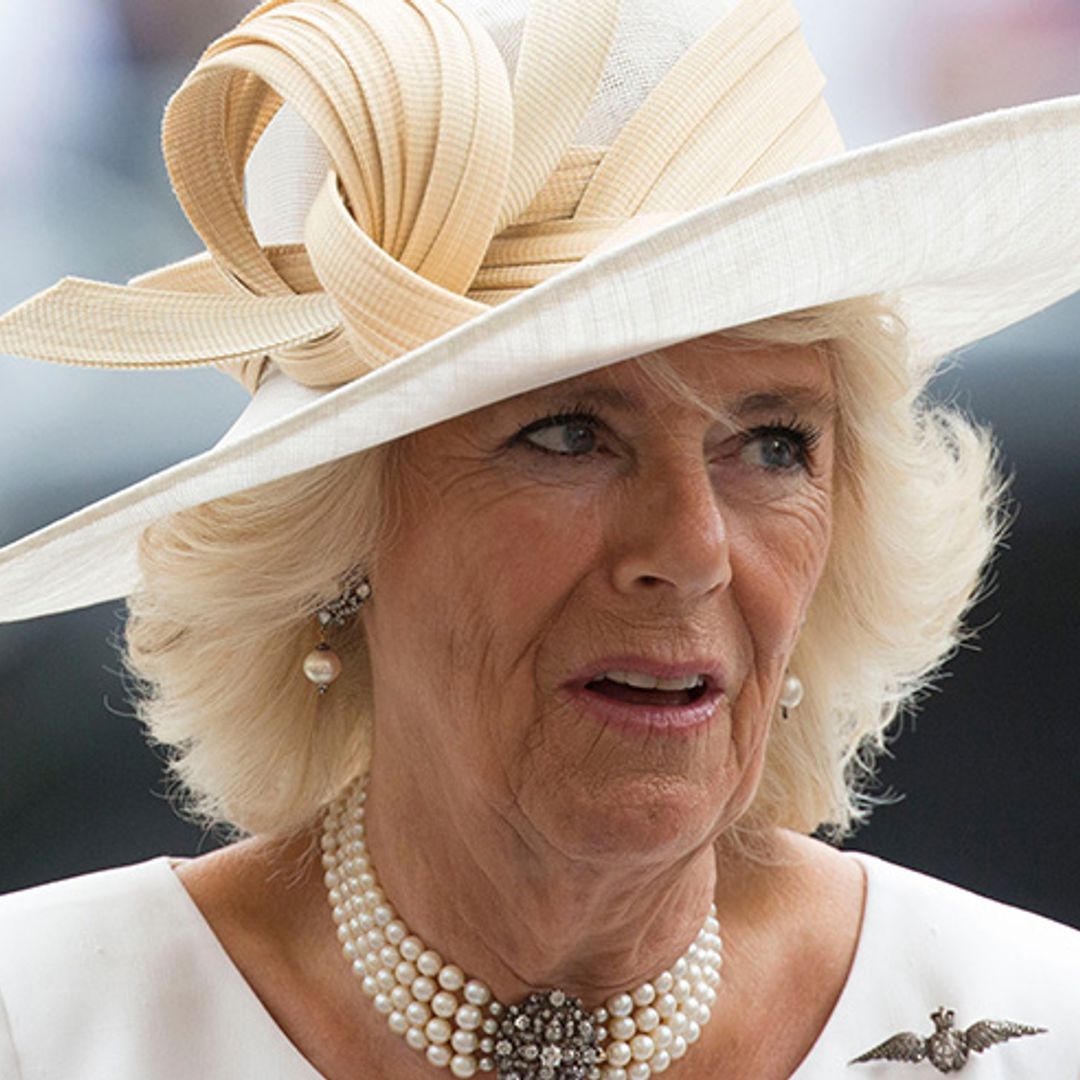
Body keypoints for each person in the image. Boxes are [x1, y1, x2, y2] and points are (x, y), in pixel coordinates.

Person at [0, 0, 1078, 1077]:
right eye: (570, 435)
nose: (693, 549)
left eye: (774, 443)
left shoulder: (1036, 1026)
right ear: (339, 537)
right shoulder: (43, 1023)